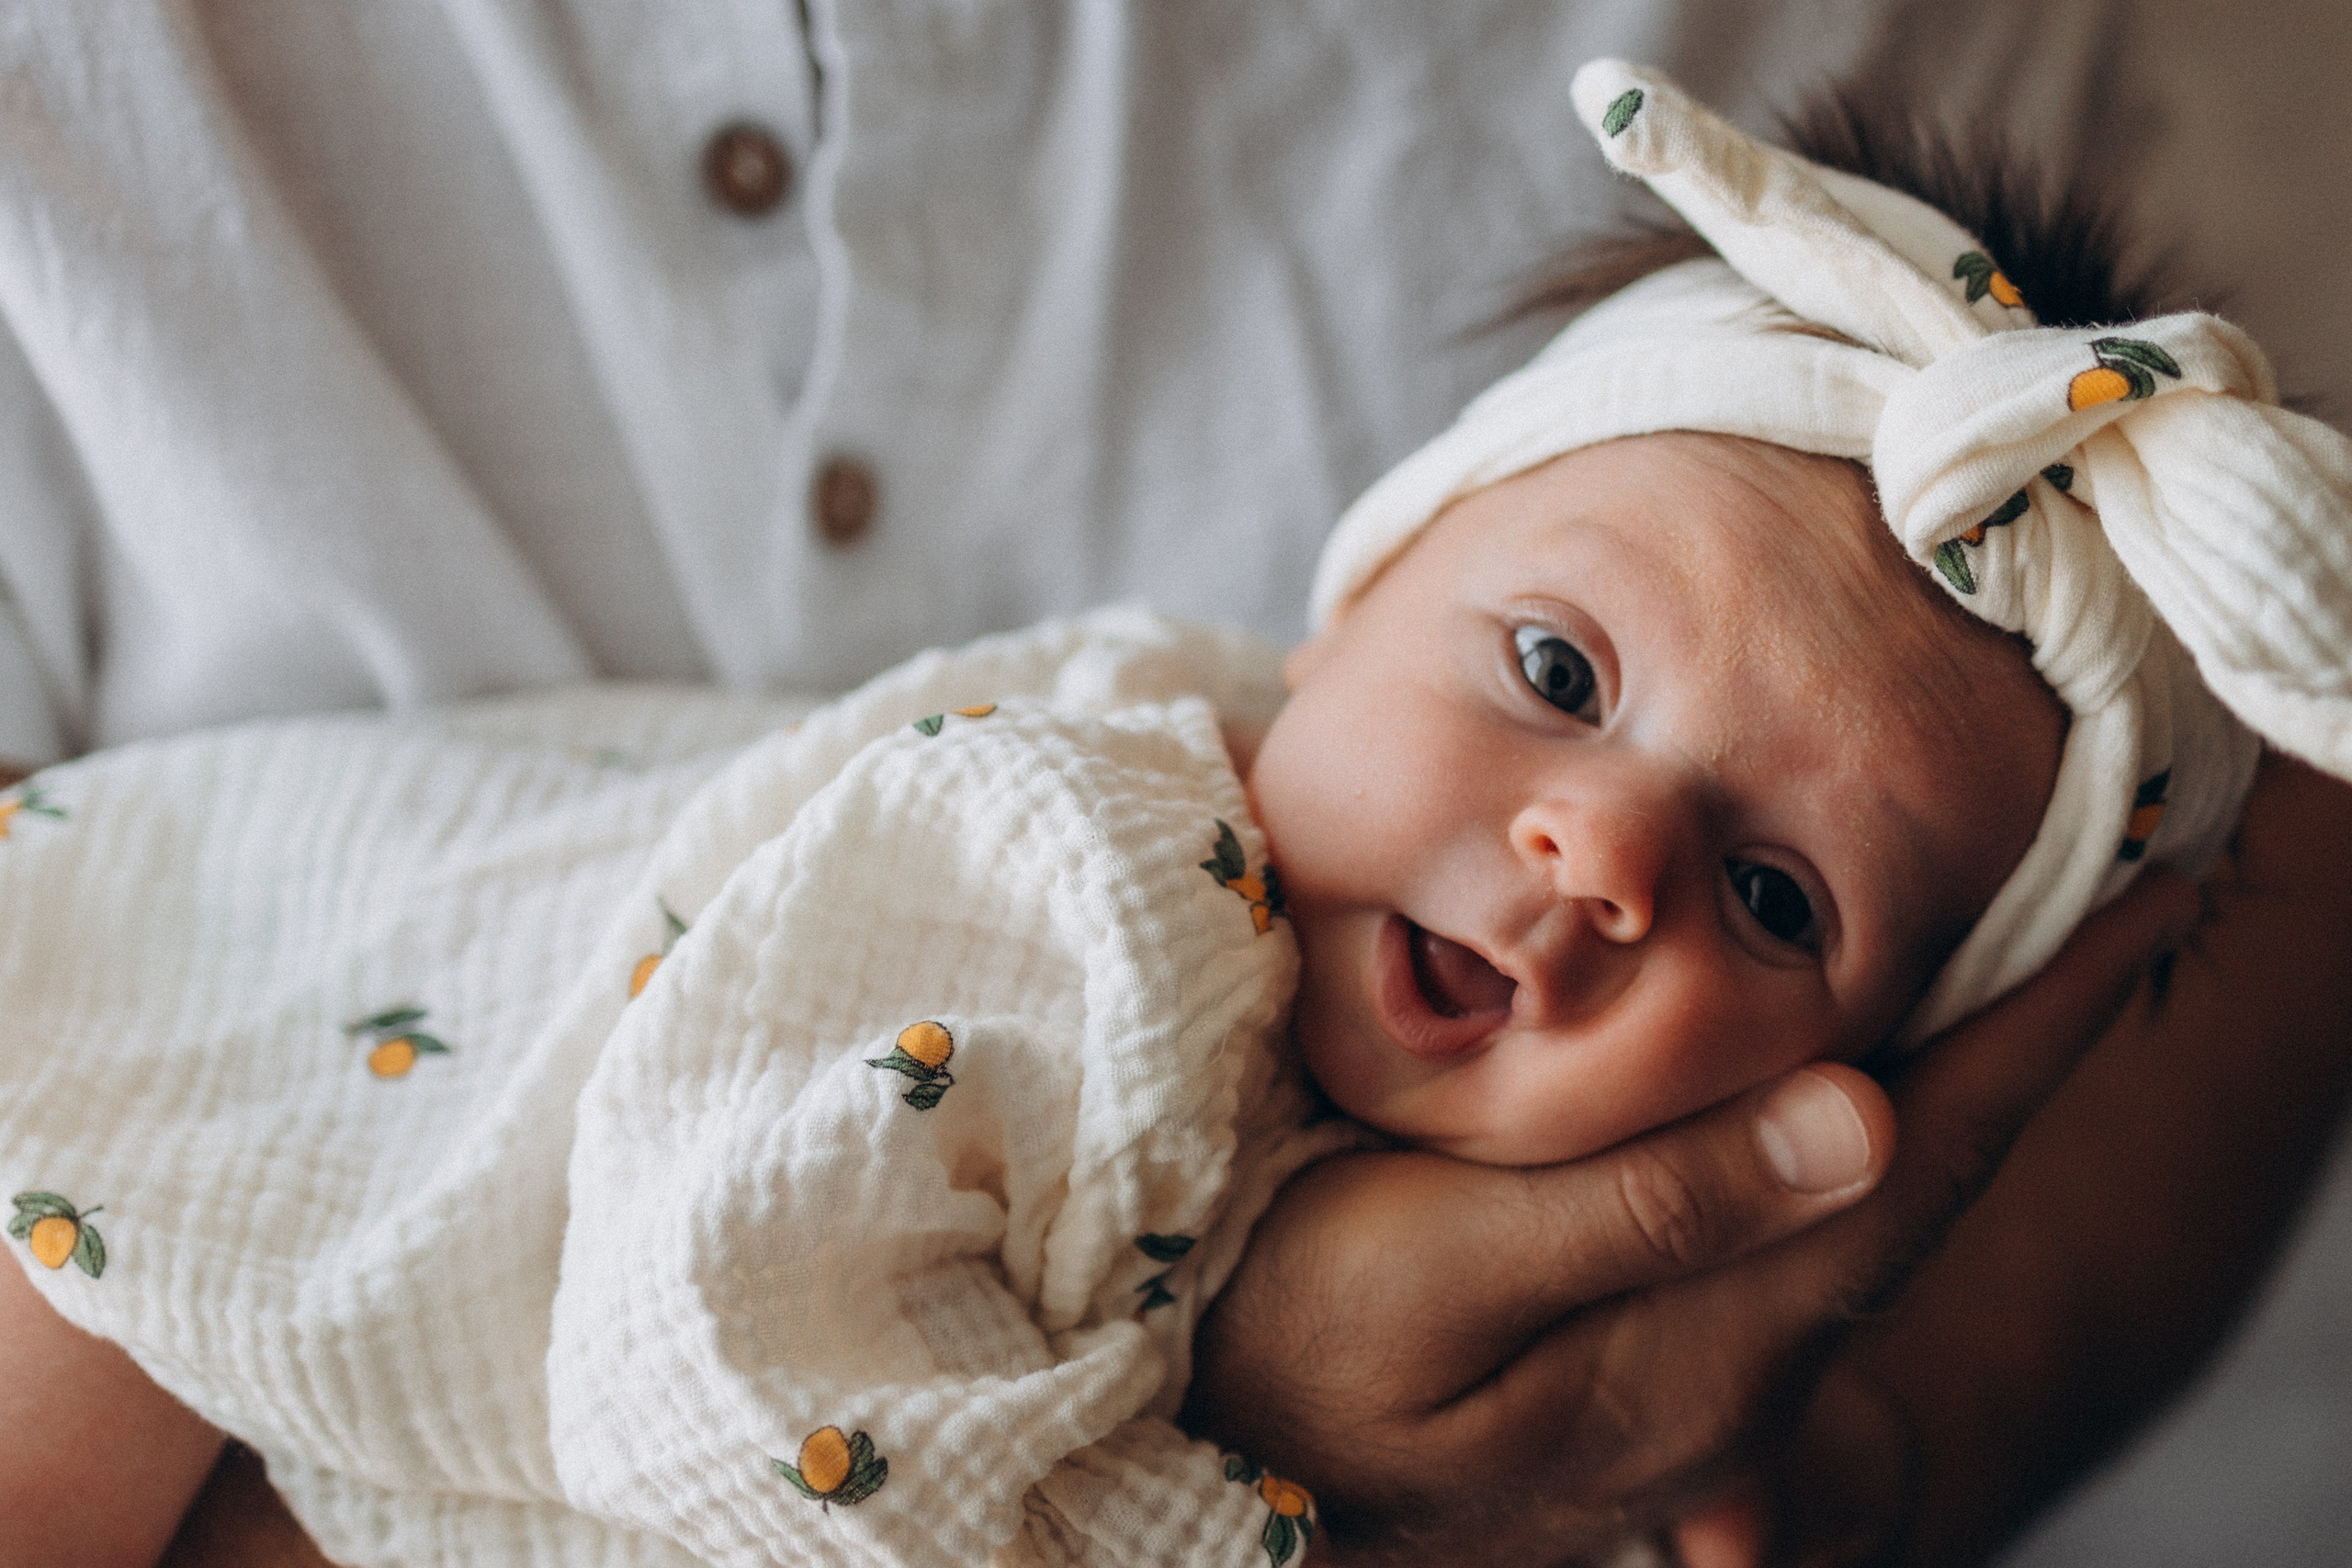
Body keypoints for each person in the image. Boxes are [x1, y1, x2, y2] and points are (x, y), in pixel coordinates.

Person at [2, 6, 2348, 1567]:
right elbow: (723, 1349)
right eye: (1551, 666)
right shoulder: (1108, 886)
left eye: (1768, 899)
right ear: (1345, 599)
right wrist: (1214, 1474)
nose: (1599, 848)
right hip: (256, 1079)